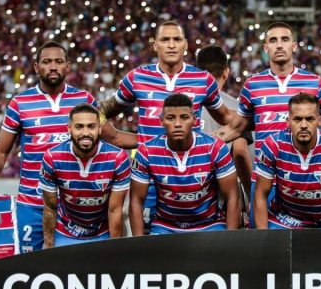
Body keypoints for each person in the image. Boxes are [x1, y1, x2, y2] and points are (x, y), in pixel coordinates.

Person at [214, 21, 321, 224]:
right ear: (266, 48)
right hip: (266, 180)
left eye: (285, 39)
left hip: (307, 180)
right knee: (265, 248)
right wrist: (198, 143)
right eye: (273, 40)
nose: (279, 45)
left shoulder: (315, 83)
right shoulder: (252, 85)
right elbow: (236, 129)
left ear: (294, 46)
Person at [99, 21, 235, 228]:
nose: (171, 45)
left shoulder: (202, 80)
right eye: (165, 40)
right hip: (149, 178)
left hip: (194, 177)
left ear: (185, 45)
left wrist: (260, 116)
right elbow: (100, 113)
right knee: (152, 248)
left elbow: (227, 119)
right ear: (155, 45)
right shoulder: (137, 78)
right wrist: (138, 141)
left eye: (176, 40)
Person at [0, 41, 96, 252]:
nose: (53, 67)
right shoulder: (20, 103)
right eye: (47, 62)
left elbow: (109, 137)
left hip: (74, 204)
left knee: (74, 268)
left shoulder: (84, 99)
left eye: (58, 62)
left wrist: (149, 140)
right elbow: (1, 150)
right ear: (37, 67)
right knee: (30, 269)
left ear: (67, 67)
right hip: (32, 204)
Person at [129, 94, 242, 235]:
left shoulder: (215, 148)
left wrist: (230, 243)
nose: (177, 124)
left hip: (210, 225)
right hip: (165, 227)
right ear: (161, 121)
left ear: (194, 120)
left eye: (184, 117)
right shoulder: (146, 152)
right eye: (170, 118)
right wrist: (139, 247)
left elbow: (232, 196)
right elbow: (136, 201)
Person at [254, 93, 321, 229]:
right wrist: (264, 239)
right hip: (282, 220)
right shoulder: (273, 145)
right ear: (288, 121)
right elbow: (260, 194)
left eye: (310, 119)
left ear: (319, 121)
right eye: (297, 119)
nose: (303, 125)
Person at [39, 104, 130, 247]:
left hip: (102, 232)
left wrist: (114, 251)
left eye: (91, 126)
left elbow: (115, 209)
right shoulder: (52, 157)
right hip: (65, 232)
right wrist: (49, 248)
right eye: (79, 127)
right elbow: (50, 207)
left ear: (100, 128)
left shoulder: (118, 157)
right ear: (69, 128)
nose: (85, 132)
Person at [195, 44, 254, 214]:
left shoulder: (182, 105)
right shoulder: (235, 108)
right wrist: (252, 196)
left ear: (197, 72)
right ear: (226, 72)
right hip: (221, 200)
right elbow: (240, 153)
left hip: (182, 192)